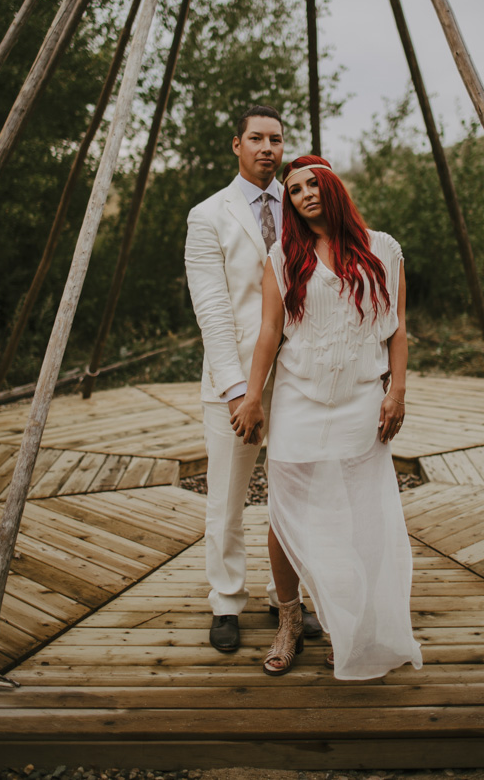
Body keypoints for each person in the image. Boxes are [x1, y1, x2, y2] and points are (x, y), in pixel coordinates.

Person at [231, 154, 423, 681]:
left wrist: (397, 391)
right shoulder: (283, 256)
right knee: (284, 508)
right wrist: (253, 397)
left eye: (313, 183)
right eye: (294, 190)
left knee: (362, 512)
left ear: (332, 185)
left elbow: (398, 328)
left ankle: (351, 623)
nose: (305, 194)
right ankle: (290, 620)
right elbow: (270, 331)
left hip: (362, 396)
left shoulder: (383, 248)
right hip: (298, 397)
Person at [185, 107, 322, 653]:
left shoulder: (302, 208)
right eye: (258, 139)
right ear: (236, 145)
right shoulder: (207, 215)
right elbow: (213, 309)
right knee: (227, 496)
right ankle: (225, 600)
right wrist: (239, 391)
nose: (268, 147)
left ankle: (286, 597)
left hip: (301, 377)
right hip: (234, 378)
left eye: (277, 139)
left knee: (296, 494)